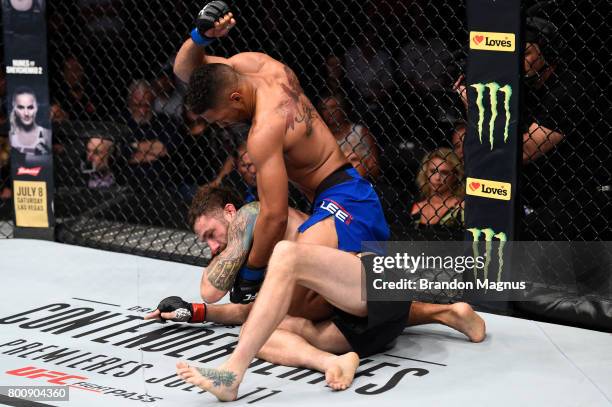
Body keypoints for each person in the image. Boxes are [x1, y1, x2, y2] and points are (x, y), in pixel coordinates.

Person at [143, 186, 486, 397]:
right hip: (368, 319)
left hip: (372, 286)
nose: (212, 246)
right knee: (265, 325)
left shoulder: (264, 220)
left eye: (211, 233)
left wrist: (209, 300)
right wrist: (196, 312)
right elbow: (259, 310)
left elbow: (224, 296)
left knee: (274, 299)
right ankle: (448, 313)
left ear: (231, 212)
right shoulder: (254, 254)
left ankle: (250, 371)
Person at [174, 2, 389, 309]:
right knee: (316, 301)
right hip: (335, 197)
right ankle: (444, 312)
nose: (220, 125)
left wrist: (251, 273)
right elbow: (185, 71)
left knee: (292, 301)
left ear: (234, 98)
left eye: (217, 118)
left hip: (346, 203)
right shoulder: (254, 65)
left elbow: (275, 216)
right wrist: (200, 36)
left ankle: (436, 310)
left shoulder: (264, 131)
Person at [319, 94, 380, 179]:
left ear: (342, 109)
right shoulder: (321, 136)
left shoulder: (360, 131)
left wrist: (359, 161)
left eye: (333, 107)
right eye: (324, 108)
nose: (329, 112)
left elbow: (375, 169)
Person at [411, 147, 464, 227]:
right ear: (425, 173)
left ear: (455, 176)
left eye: (444, 173)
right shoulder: (416, 208)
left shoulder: (462, 208)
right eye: (433, 171)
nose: (437, 178)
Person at [8, 87, 52, 165]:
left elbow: (50, 161)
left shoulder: (46, 134)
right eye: (21, 107)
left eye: (30, 107)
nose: (26, 113)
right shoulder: (10, 135)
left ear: (37, 108)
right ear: (14, 108)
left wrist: (22, 158)